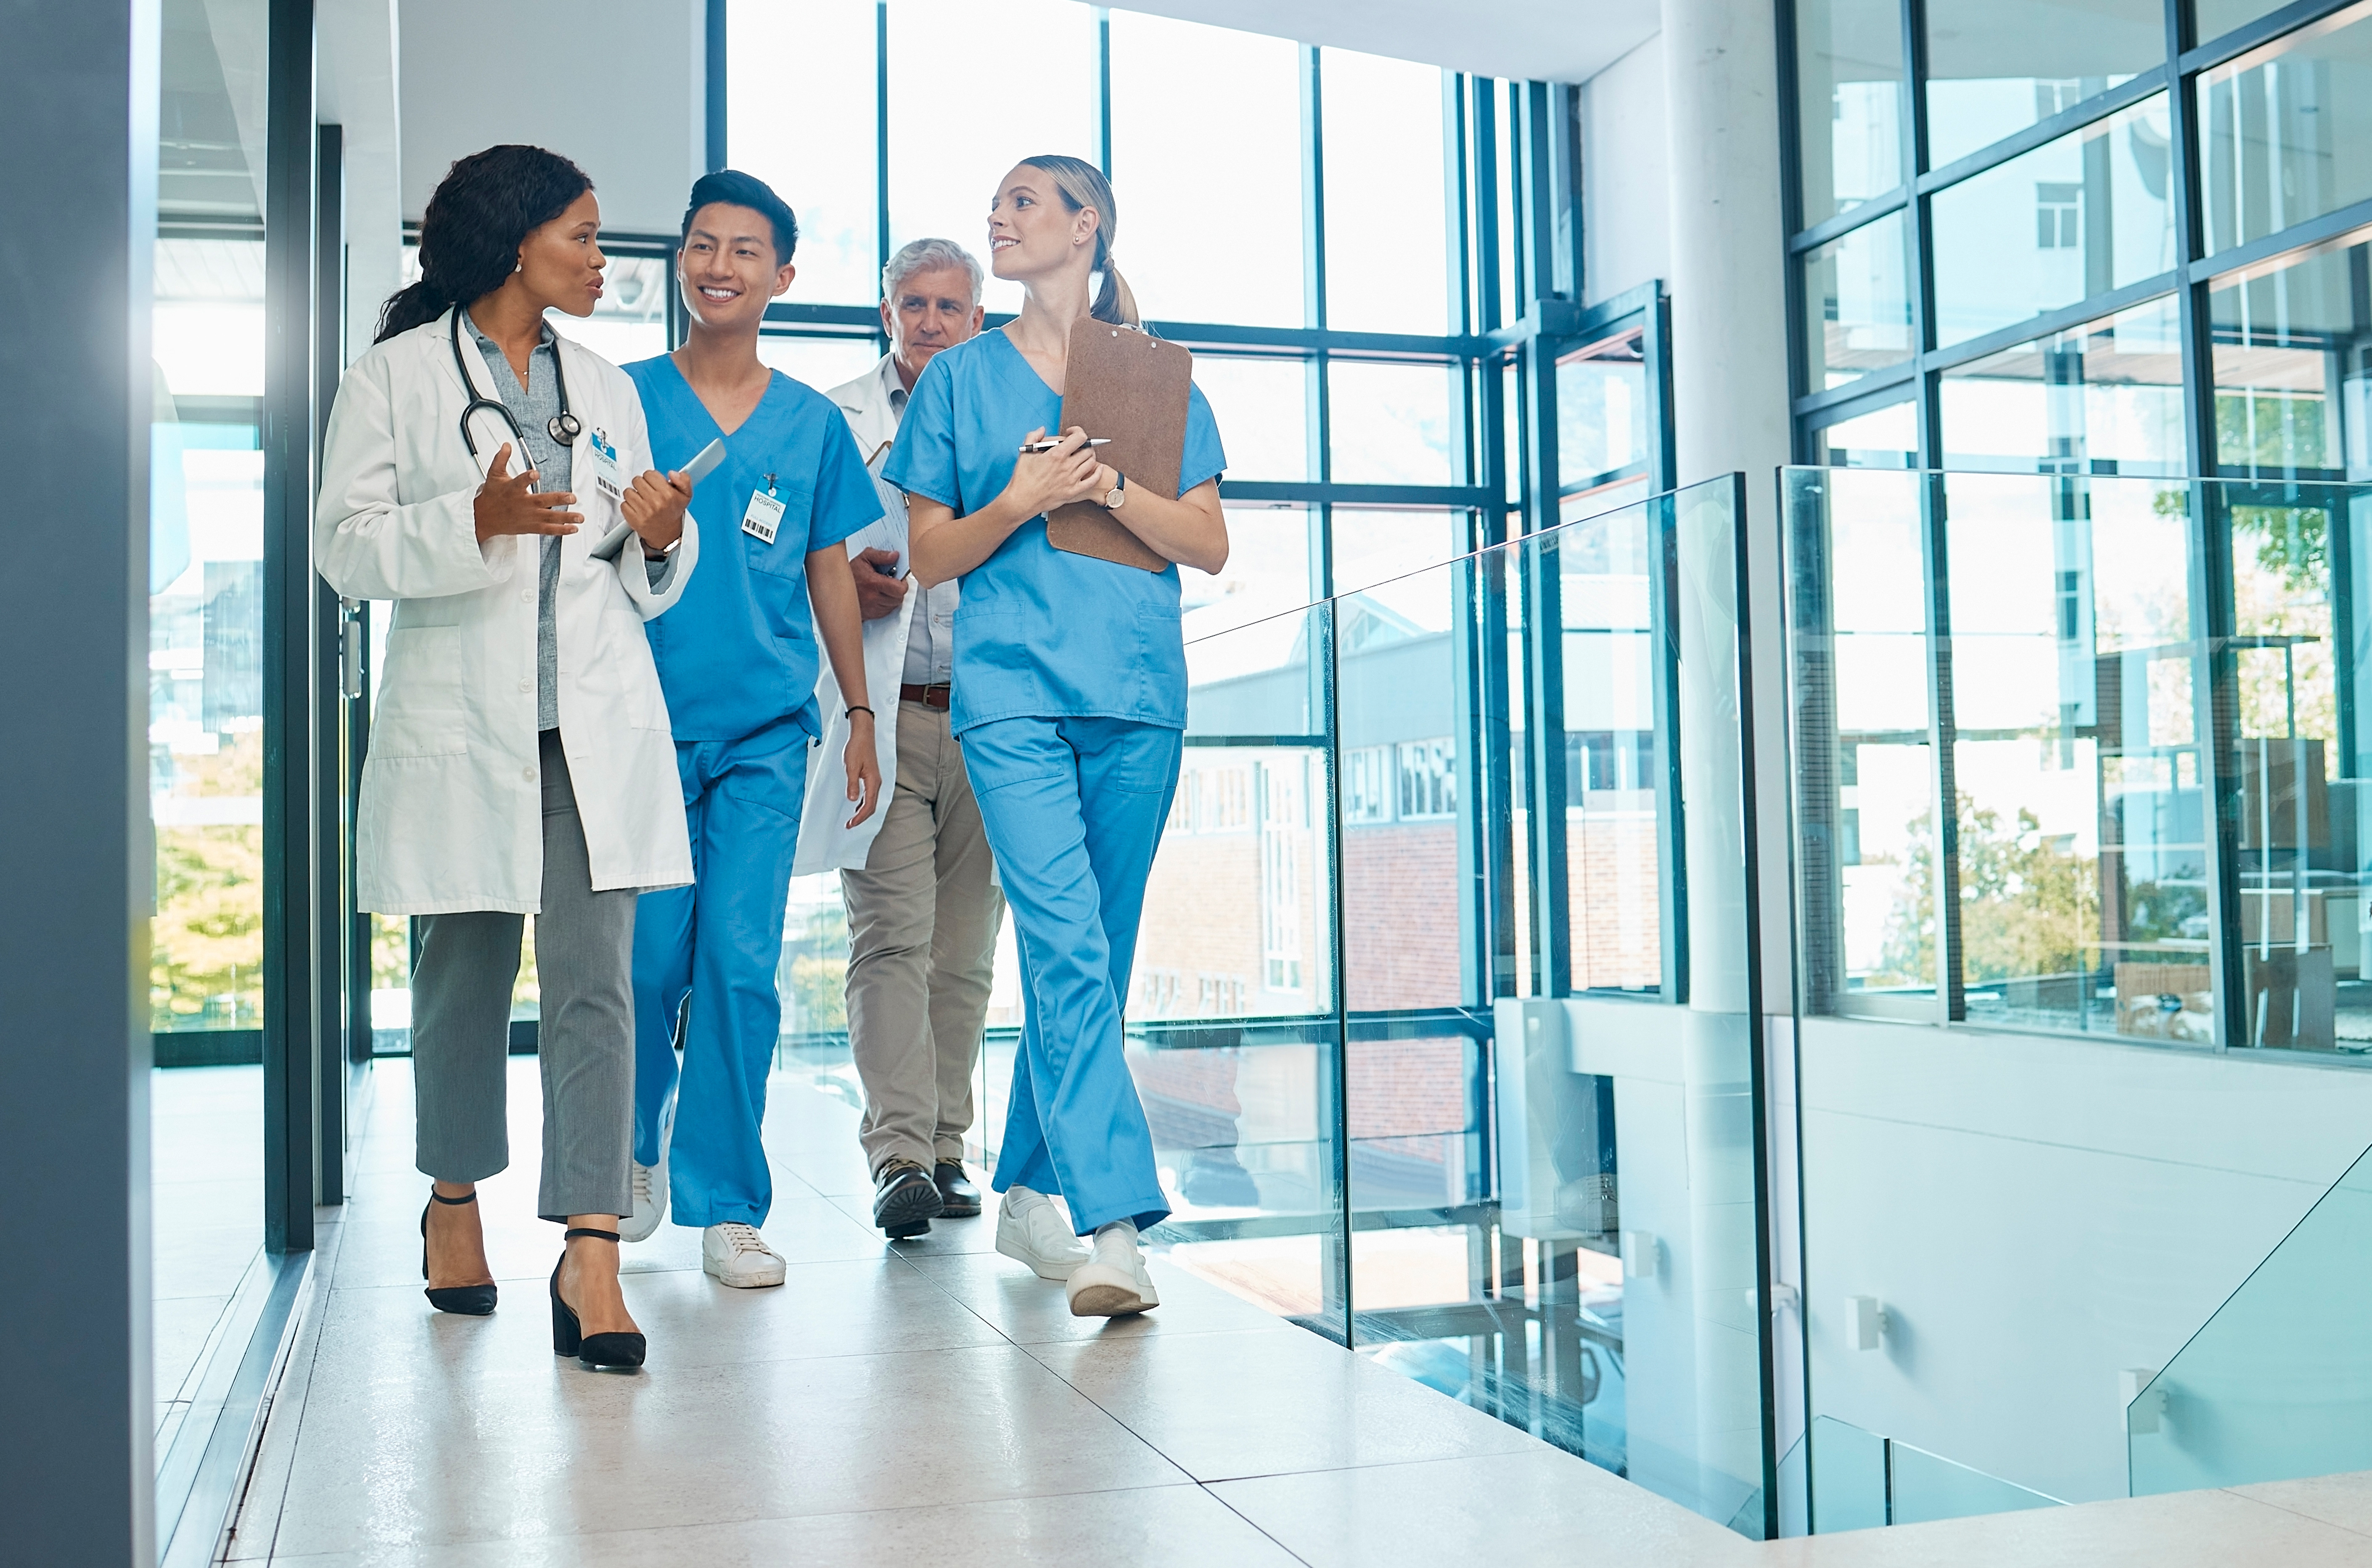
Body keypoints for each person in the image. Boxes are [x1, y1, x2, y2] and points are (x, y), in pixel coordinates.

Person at [316, 145, 699, 1370]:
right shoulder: (389, 381)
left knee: (599, 988)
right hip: (460, 731)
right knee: (463, 987)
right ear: (514, 239)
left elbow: (641, 581)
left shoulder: (609, 387)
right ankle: (452, 1202)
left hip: (588, 732)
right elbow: (344, 548)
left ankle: (591, 1248)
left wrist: (660, 536)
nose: (602, 258)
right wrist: (467, 521)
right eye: (583, 235)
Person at [889, 156, 1228, 1316]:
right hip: (1012, 696)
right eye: (997, 201)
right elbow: (931, 556)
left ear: (1086, 225)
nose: (1000, 213)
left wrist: (1110, 490)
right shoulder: (956, 383)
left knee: (1094, 959)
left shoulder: (1152, 373)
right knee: (1068, 948)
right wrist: (1021, 503)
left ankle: (1030, 1182)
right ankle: (1114, 1225)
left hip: (1138, 692)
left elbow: (1207, 540)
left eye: (1025, 200)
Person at [616, 169, 883, 1288]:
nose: (717, 266)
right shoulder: (622, 396)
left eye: (742, 250)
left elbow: (830, 569)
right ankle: (632, 1157)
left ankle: (727, 1201)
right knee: (640, 963)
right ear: (681, 261)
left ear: (781, 274)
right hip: (636, 725)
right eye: (700, 246)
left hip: (769, 735)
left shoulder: (812, 424)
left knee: (738, 962)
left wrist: (860, 709)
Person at [794, 238, 1006, 1240]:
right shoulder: (833, 419)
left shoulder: (1014, 415)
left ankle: (951, 1147)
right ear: (886, 312)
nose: (929, 321)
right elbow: (796, 558)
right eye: (912, 304)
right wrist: (839, 581)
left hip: (987, 717)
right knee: (891, 937)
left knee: (964, 953)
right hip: (879, 713)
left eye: (949, 307)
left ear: (978, 318)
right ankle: (899, 1158)